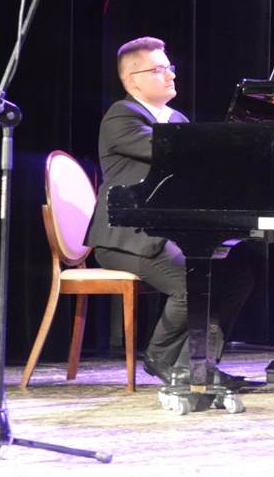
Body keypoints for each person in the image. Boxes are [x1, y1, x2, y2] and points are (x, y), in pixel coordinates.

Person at [83, 36, 253, 387]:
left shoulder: (177, 119)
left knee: (237, 279)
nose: (171, 75)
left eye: (170, 67)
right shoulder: (121, 116)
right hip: (127, 239)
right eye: (160, 69)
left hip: (169, 234)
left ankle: (199, 365)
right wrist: (226, 144)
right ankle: (160, 358)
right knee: (192, 284)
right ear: (133, 81)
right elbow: (169, 151)